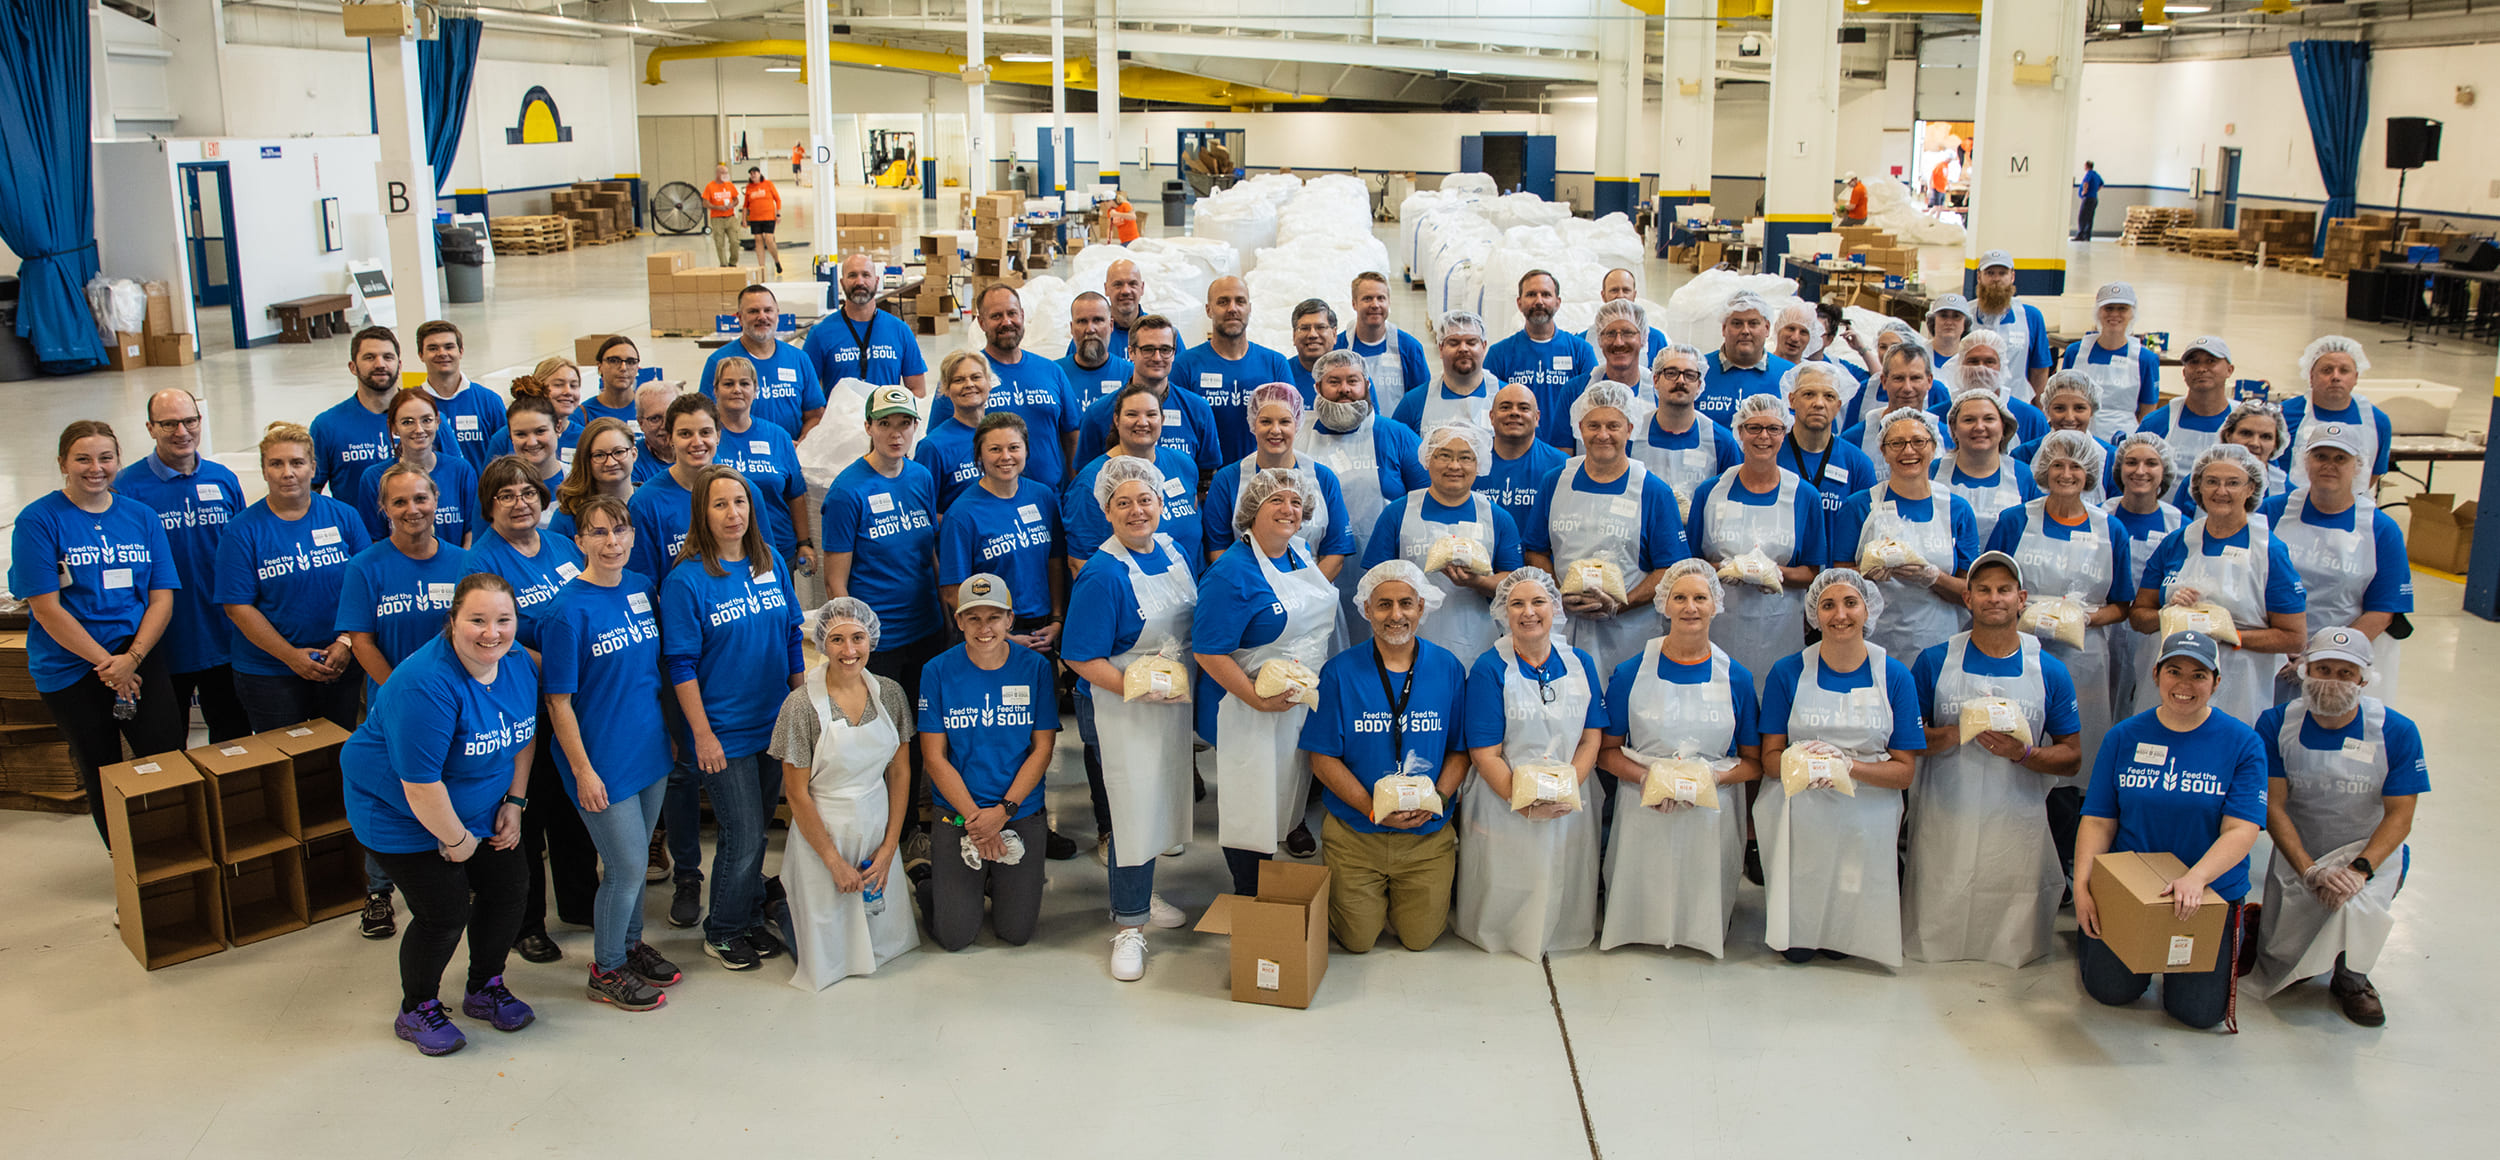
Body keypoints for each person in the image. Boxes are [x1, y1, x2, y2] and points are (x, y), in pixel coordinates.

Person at [343, 574, 539, 1056]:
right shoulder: (425, 684)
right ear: (452, 621)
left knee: (510, 888)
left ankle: (484, 987)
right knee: (445, 911)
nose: (491, 632)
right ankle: (417, 1009)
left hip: (479, 800)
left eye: (503, 620)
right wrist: (456, 841)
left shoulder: (516, 664)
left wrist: (514, 803)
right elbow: (420, 784)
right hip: (400, 811)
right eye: (477, 620)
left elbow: (524, 734)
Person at [2076, 630, 2267, 1031]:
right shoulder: (2125, 736)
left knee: (2197, 1014)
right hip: (2132, 888)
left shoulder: (2242, 743)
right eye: (2174, 671)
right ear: (2155, 674)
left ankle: (2229, 936)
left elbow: (2242, 828)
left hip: (2207, 894)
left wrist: (2195, 878)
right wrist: (2084, 886)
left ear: (2216, 682)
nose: (2184, 684)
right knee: (2111, 992)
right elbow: (2098, 819)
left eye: (2199, 675)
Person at [1904, 551, 2083, 967]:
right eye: (1982, 590)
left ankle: (2010, 946)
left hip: (2016, 816)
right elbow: (1908, 742)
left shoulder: (2048, 670)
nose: (1993, 598)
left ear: (2022, 599)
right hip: (1947, 811)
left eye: (2004, 590)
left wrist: (2024, 753)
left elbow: (2072, 757)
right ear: (1967, 598)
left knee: (2009, 895)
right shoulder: (1935, 661)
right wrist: (1953, 733)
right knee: (1945, 889)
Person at [538, 495, 680, 1010]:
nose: (611, 541)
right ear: (579, 542)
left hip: (647, 749)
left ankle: (629, 943)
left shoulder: (643, 589)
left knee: (638, 862)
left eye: (618, 530)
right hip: (600, 762)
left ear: (633, 536)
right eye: (597, 533)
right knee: (622, 867)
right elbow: (558, 702)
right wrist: (582, 770)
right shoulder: (565, 611)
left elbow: (651, 677)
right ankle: (606, 969)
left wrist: (666, 732)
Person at [659, 465, 804, 971]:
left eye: (739, 502)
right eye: (720, 504)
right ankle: (720, 930)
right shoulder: (686, 581)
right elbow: (681, 665)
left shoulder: (769, 563)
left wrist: (800, 703)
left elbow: (790, 635)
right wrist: (701, 735)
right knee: (741, 834)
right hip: (722, 731)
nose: (732, 513)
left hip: (772, 722)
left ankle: (743, 917)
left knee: (757, 831)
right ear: (702, 511)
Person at [11, 421, 185, 843]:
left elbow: (162, 596)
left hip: (136, 654)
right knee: (102, 767)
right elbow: (47, 608)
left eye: (106, 457)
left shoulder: (140, 517)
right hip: (72, 665)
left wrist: (132, 660)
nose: (96, 468)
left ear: (118, 460)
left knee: (167, 758)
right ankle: (126, 863)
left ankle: (179, 852)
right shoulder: (38, 521)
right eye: (83, 459)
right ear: (62, 463)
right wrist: (107, 666)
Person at [1061, 459, 1198, 979]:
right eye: (1124, 503)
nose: (1137, 510)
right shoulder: (1102, 573)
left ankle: (1141, 892)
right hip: (1123, 711)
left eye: (1146, 500)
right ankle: (1128, 927)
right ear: (1107, 511)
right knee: (1131, 809)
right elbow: (1079, 654)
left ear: (1161, 504)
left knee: (1159, 800)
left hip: (1169, 707)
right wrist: (1140, 686)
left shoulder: (1173, 551)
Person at [2253, 628, 2424, 1026]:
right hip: (2300, 852)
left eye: (2345, 673)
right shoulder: (2277, 724)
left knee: (2358, 911)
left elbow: (2400, 815)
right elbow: (2273, 807)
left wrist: (2359, 870)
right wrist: (2309, 870)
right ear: (2304, 671)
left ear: (2364, 679)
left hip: (2366, 852)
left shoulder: (2396, 731)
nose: (2332, 681)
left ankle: (2352, 976)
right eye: (2323, 668)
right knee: (2283, 959)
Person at [1755, 569, 1925, 967]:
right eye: (1827, 605)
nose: (1840, 614)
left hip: (1865, 815)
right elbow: (1768, 759)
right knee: (1797, 947)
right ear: (1815, 614)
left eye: (1851, 603)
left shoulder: (1894, 675)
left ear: (1868, 609)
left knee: (1844, 935)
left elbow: (1904, 772)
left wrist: (1848, 766)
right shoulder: (1788, 672)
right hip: (1801, 814)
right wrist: (1806, 765)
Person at [1301, 561, 1470, 953]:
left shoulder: (1447, 668)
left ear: (1422, 608)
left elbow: (1460, 750)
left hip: (1426, 833)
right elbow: (1322, 759)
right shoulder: (1339, 673)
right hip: (1357, 832)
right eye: (1384, 605)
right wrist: (1373, 809)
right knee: (1356, 941)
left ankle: (1399, 897)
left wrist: (1438, 804)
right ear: (1365, 609)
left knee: (1420, 938)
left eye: (1406, 603)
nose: (1396, 615)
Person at [1597, 560, 1762, 956]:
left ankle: (1701, 931)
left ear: (1716, 605)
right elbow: (1605, 752)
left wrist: (1708, 780)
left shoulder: (1735, 677)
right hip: (1645, 806)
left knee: (1701, 891)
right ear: (1664, 604)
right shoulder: (1631, 672)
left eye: (1700, 598)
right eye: (1680, 597)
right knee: (1644, 887)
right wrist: (1649, 779)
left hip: (1711, 811)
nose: (1690, 607)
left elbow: (1755, 762)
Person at [1989, 430, 2134, 877]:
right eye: (2057, 466)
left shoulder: (2110, 528)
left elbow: (2123, 603)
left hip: (2084, 661)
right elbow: (1989, 584)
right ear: (2043, 470)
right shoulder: (2016, 519)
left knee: (2074, 760)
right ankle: (2011, 857)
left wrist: (2084, 618)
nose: (2066, 474)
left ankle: (2065, 863)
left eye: (2075, 466)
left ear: (2089, 472)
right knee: (2015, 744)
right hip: (2018, 651)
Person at [467, 456, 594, 965]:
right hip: (522, 704)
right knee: (529, 811)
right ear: (489, 506)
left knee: (573, 806)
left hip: (572, 699)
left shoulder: (563, 546)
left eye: (526, 492)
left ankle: (581, 899)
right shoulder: (482, 561)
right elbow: (496, 639)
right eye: (505, 495)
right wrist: (565, 665)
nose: (519, 502)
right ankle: (527, 923)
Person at [1194, 468, 1341, 886]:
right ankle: (1248, 894)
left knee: (1283, 793)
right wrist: (1257, 699)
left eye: (1296, 502)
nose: (1288, 509)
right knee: (1250, 804)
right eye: (1276, 500)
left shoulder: (1300, 554)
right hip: (1245, 708)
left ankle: (1269, 884)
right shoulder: (1230, 574)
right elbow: (1208, 650)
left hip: (1294, 701)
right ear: (1251, 510)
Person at [768, 597, 919, 989]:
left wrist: (889, 849)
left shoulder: (890, 694)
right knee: (824, 952)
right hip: (824, 831)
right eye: (837, 640)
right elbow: (797, 794)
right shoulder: (800, 706)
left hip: (876, 822)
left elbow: (900, 771)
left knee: (883, 942)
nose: (849, 651)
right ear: (822, 643)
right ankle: (779, 906)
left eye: (857, 638)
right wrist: (833, 861)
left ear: (872, 639)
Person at [1454, 566, 1603, 960]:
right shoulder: (1490, 668)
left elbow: (1592, 736)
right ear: (1504, 612)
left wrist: (1568, 789)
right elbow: (1484, 752)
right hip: (1503, 798)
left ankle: (1564, 930)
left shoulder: (1581, 663)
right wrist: (1523, 800)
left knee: (1565, 873)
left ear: (1555, 607)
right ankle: (1505, 932)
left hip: (1571, 795)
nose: (1528, 612)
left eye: (1538, 601)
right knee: (1510, 879)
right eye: (1516, 603)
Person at [823, 385, 946, 839]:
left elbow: (928, 552)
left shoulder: (919, 477)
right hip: (882, 639)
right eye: (886, 424)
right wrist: (854, 644)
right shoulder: (847, 492)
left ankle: (917, 818)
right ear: (869, 427)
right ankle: (899, 828)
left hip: (927, 628)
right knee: (888, 738)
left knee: (920, 729)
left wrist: (945, 607)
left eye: (905, 423)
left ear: (916, 427)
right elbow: (836, 580)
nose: (896, 434)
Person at [918, 573, 1060, 951]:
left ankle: (995, 880)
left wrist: (1004, 811)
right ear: (959, 621)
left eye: (994, 617)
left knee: (1016, 933)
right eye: (974, 618)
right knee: (955, 937)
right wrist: (978, 821)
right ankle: (932, 882)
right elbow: (934, 758)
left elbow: (1042, 749)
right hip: (959, 813)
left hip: (1019, 810)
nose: (985, 628)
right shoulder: (937, 671)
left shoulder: (1035, 668)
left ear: (1010, 620)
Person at [1523, 380, 1689, 679]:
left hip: (1629, 634)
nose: (1602, 435)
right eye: (1593, 425)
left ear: (1630, 428)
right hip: (1562, 629)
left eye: (1613, 425)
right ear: (1579, 428)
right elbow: (1536, 550)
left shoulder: (1651, 490)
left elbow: (1670, 569)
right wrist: (1557, 594)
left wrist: (1621, 603)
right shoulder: (1556, 481)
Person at [2133, 443, 2308, 726]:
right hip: (2170, 683)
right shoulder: (2177, 543)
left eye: (2233, 483)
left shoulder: (2268, 551)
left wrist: (2224, 632)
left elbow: (2293, 637)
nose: (2221, 491)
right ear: (2198, 487)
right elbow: (2139, 617)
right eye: (2211, 482)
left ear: (2251, 488)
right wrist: (2169, 614)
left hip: (2238, 689)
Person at [218, 422, 370, 734]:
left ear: (313, 467)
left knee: (338, 755)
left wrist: (344, 643)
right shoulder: (241, 531)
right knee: (287, 767)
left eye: (297, 462)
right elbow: (238, 608)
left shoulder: (345, 517)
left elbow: (366, 588)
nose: (288, 472)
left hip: (339, 662)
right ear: (264, 470)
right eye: (276, 463)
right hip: (270, 672)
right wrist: (291, 657)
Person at [115, 389, 248, 742]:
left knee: (234, 742)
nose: (182, 431)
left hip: (223, 635)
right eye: (169, 423)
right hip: (163, 642)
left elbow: (242, 555)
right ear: (150, 427)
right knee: (168, 746)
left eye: (190, 421)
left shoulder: (223, 479)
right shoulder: (127, 488)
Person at [2260, 423, 2412, 703]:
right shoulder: (2272, 513)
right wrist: (2280, 649)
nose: (2329, 465)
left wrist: (2323, 657)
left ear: (2358, 466)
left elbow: (2382, 611)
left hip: (2341, 663)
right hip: (2270, 656)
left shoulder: (2380, 529)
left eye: (2340, 458)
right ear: (2306, 462)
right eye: (2321, 456)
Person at [1687, 393, 1827, 692]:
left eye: (1773, 429)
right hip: (1716, 629)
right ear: (1739, 432)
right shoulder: (1710, 492)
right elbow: (1689, 568)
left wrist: (1772, 571)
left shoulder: (1803, 496)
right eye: (1754, 428)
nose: (1764, 436)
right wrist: (1728, 568)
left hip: (1779, 630)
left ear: (1784, 433)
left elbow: (1813, 573)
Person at [1831, 408, 1979, 662]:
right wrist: (1863, 576)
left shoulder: (1956, 509)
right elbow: (1837, 578)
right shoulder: (1859, 506)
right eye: (1896, 443)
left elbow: (1971, 593)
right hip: (1872, 642)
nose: (1908, 451)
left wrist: (1932, 576)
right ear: (1884, 452)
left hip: (1938, 643)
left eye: (1918, 442)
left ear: (1934, 448)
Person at [1365, 422, 1520, 665]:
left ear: (1478, 464)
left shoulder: (1497, 517)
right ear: (1427, 459)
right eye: (1444, 456)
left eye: (1465, 458)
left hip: (1477, 642)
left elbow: (1512, 580)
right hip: (1407, 644)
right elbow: (1374, 580)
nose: (1454, 466)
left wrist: (1479, 582)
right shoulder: (1398, 513)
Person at [1300, 350, 1428, 641]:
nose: (1344, 390)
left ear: (1367, 386)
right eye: (1334, 381)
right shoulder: (1298, 434)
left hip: (1386, 570)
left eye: (1353, 381)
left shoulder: (1396, 435)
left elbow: (1425, 498)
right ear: (1318, 388)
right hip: (1316, 571)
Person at [338, 465, 478, 697]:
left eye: (421, 498)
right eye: (399, 502)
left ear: (436, 499)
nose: (412, 509)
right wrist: (401, 692)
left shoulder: (466, 563)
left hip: (459, 695)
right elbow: (362, 643)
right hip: (394, 697)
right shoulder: (363, 567)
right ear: (384, 508)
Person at [937, 414, 1065, 652]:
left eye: (1014, 447)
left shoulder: (1043, 496)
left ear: (1026, 450)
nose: (1005, 457)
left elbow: (1055, 561)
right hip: (990, 639)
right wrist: (1002, 634)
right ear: (979, 455)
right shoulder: (961, 514)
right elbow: (953, 591)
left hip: (1042, 632)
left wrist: (1057, 620)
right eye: (995, 449)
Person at [1201, 383, 1357, 575]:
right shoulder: (1227, 480)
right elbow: (1218, 550)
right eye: (1266, 422)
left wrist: (1307, 596)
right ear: (1253, 424)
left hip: (1315, 594)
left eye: (1284, 422)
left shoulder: (1323, 478)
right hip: (1248, 594)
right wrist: (1258, 596)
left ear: (1297, 424)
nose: (1275, 430)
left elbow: (1335, 552)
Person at [1066, 381, 1206, 577]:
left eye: (1151, 414)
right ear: (1116, 420)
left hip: (1188, 593)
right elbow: (1080, 562)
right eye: (1132, 414)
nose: (1143, 422)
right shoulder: (1091, 481)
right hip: (1131, 601)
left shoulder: (1183, 464)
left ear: (1162, 419)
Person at [626, 394, 766, 581]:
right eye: (685, 434)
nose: (697, 442)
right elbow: (642, 582)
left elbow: (763, 562)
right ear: (670, 438)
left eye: (705, 432)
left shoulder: (746, 492)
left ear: (718, 435)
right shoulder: (645, 503)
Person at [1071, 314, 1222, 475]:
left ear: (1174, 353)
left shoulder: (1198, 409)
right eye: (1148, 349)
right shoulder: (1098, 413)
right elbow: (1085, 478)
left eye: (1165, 350)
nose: (1157, 358)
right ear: (1131, 352)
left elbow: (1207, 477)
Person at [2104, 430, 2186, 720]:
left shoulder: (2181, 526)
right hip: (2106, 626)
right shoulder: (2100, 517)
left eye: (2151, 463)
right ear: (2119, 469)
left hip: (2154, 628)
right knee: (2103, 703)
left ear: (2165, 471)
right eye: (2131, 462)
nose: (2140, 471)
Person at [1172, 275, 1297, 465]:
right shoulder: (1185, 366)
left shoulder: (1275, 364)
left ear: (1249, 308)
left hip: (1264, 480)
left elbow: (1289, 426)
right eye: (1223, 302)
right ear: (1208, 310)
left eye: (1240, 301)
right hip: (1206, 482)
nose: (1232, 309)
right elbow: (1177, 433)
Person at [710, 355, 815, 571]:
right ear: (715, 390)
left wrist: (804, 543)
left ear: (756, 390)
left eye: (745, 383)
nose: (737, 390)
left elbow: (795, 495)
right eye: (728, 384)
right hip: (725, 553)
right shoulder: (708, 438)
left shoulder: (778, 436)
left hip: (778, 548)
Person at [974, 284, 1080, 490]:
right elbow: (945, 437)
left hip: (1051, 499)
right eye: (996, 316)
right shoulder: (967, 376)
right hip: (992, 501)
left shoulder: (1051, 370)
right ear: (981, 322)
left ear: (1022, 315)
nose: (1007, 322)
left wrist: (1075, 489)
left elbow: (1072, 436)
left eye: (1012, 313)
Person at [348, 389, 477, 548]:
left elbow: (472, 531)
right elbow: (374, 540)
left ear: (437, 422)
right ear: (394, 427)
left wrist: (461, 568)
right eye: (407, 422)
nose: (419, 429)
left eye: (427, 420)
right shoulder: (374, 478)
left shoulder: (461, 471)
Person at [1485, 270, 1599, 450]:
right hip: (1516, 453)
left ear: (1558, 302)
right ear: (1519, 302)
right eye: (1531, 294)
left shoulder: (1581, 351)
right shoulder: (1499, 354)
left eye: (1546, 294)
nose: (1539, 301)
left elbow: (1594, 407)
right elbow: (1488, 410)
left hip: (1568, 453)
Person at [699, 286, 826, 443]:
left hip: (792, 456)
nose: (762, 317)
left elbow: (815, 414)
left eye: (768, 310)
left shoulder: (798, 359)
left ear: (777, 314)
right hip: (742, 459)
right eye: (753, 311)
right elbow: (705, 418)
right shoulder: (719, 362)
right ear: (739, 318)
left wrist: (800, 444)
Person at [1626, 343, 1741, 514]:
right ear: (1656, 380)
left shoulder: (1720, 442)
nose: (1680, 381)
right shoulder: (1632, 436)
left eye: (1689, 375)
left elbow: (1733, 505)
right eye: (1671, 373)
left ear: (1699, 384)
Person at [802, 253, 931, 395]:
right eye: (852, 275)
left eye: (866, 275)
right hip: (842, 417)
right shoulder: (820, 334)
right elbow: (807, 393)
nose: (860, 282)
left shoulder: (900, 331)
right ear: (842, 282)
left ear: (876, 281)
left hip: (886, 415)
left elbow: (917, 389)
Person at [2279, 335, 2392, 491]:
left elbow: (2373, 473)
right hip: (2288, 509)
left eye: (2344, 371)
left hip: (2353, 512)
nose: (2336, 377)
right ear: (2311, 376)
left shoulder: (2377, 421)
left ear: (2356, 377)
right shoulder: (2283, 416)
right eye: (2327, 370)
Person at [1935, 388, 2042, 544]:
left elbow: (2035, 536)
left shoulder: (2024, 476)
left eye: (1989, 419)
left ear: (2004, 426)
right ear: (1953, 427)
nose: (1979, 427)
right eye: (1968, 420)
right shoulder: (1933, 472)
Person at [2057, 282, 2162, 440]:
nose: (2115, 314)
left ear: (2132, 313)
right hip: (2077, 436)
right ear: (2098, 312)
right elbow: (2062, 396)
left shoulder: (2145, 359)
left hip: (2123, 440)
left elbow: (2148, 408)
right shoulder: (2075, 352)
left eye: (2122, 309)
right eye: (2109, 308)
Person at [313, 326, 403, 496]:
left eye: (388, 357)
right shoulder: (327, 426)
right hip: (354, 523)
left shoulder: (426, 419)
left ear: (399, 365)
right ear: (353, 367)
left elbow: (452, 475)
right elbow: (311, 489)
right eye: (369, 357)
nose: (380, 364)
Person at [2137, 336, 2237, 479]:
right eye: (2194, 362)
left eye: (2211, 361)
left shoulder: (2246, 424)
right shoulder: (2156, 423)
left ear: (2229, 370)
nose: (2201, 369)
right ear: (2184, 372)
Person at [2012, 373, 2120, 504]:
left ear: (2092, 410)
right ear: (2047, 410)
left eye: (2079, 408)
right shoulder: (2024, 455)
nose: (2069, 417)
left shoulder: (2111, 458)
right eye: (2059, 408)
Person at [412, 321, 505, 471]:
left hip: (481, 493)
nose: (442, 353)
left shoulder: (489, 401)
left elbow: (507, 454)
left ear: (461, 351)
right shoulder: (410, 405)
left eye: (449, 347)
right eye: (433, 348)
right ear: (421, 355)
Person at [1782, 361, 1878, 507]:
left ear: (1838, 405)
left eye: (1829, 396)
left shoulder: (1857, 464)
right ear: (1792, 400)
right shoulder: (1771, 456)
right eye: (1809, 394)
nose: (1819, 403)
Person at [1477, 381, 1566, 535]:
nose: (1514, 413)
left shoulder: (1560, 465)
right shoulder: (1471, 463)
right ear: (1491, 416)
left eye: (1524, 408)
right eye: (1505, 407)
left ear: (1537, 417)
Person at [1341, 270, 1432, 418]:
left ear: (1389, 302)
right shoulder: (1339, 347)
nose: (1375, 305)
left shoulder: (1409, 348)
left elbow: (1423, 402)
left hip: (1396, 436)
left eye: (1381, 298)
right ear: (1354, 304)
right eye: (1367, 299)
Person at [1390, 310, 1499, 433]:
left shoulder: (1504, 396)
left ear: (1484, 346)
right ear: (1441, 348)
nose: (1463, 349)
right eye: (1454, 343)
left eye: (1471, 342)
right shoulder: (1414, 403)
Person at [1937, 329, 2050, 445]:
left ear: (2002, 367)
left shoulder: (2031, 419)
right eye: (1973, 361)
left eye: (1989, 361)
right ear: (1960, 365)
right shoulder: (1937, 417)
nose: (1981, 369)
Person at [1697, 294, 1796, 424]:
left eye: (1753, 324)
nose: (1745, 331)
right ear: (1723, 328)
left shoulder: (1790, 375)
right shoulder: (1697, 371)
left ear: (1767, 328)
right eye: (1737, 324)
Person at [916, 348, 994, 512]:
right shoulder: (933, 447)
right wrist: (969, 525)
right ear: (946, 389)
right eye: (958, 380)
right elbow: (922, 514)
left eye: (976, 377)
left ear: (989, 383)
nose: (969, 385)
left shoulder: (1001, 434)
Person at [1970, 251, 2055, 400]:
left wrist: (2039, 411)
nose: (1996, 279)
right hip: (1971, 402)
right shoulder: (1965, 314)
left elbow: (2040, 370)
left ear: (2012, 276)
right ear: (1979, 277)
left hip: (2018, 402)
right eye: (1990, 273)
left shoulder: (2030, 316)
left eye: (2002, 273)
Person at [1563, 300, 1661, 427]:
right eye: (1610, 334)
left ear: (1643, 339)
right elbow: (1562, 447)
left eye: (1628, 333)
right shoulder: (1575, 390)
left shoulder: (1659, 391)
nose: (1618, 342)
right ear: (1599, 340)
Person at [1842, 338, 1951, 446]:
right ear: (1884, 381)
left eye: (1915, 378)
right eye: (1898, 378)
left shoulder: (1947, 438)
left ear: (1929, 381)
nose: (1907, 388)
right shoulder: (1854, 440)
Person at [2185, 400, 2293, 508]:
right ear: (2228, 435)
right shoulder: (2197, 480)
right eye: (2246, 433)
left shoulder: (2286, 489)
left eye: (2266, 437)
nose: (2254, 443)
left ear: (2276, 444)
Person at [549, 418, 637, 541]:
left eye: (618, 452)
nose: (611, 462)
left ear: (634, 454)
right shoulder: (567, 517)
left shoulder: (649, 504)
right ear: (585, 460)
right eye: (599, 455)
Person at [485, 358, 585, 465]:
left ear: (558, 428)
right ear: (539, 387)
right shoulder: (503, 438)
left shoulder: (584, 437)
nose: (568, 391)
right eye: (558, 385)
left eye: (574, 385)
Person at [492, 394, 571, 511]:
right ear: (510, 436)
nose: (532, 442)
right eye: (521, 434)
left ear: (558, 428)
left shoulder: (580, 479)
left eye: (540, 431)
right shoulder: (497, 486)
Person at [1058, 291, 1136, 408]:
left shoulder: (1131, 375)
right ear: (1072, 328)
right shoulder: (1055, 373)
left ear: (1110, 326)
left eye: (1097, 320)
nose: (1090, 329)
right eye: (1082, 321)